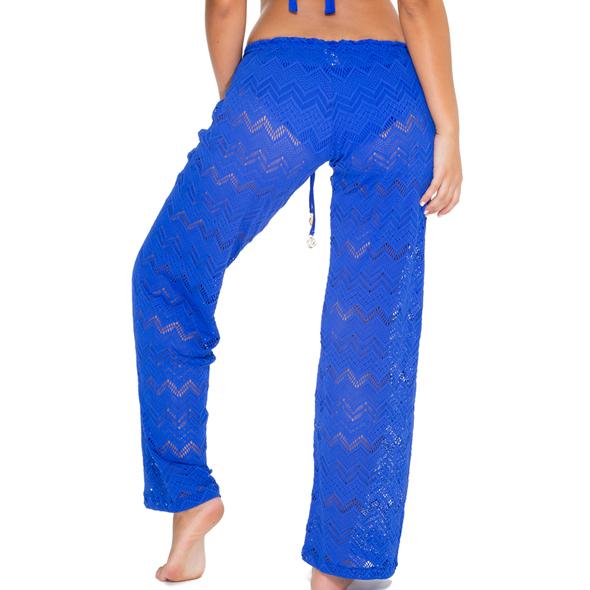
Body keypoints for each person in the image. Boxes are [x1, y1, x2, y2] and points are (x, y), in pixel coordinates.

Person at [131, 0, 462, 588]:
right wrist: (449, 129)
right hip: (391, 93)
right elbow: (416, 6)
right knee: (368, 336)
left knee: (168, 274)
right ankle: (336, 570)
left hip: (282, 77)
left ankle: (188, 495)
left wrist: (245, 105)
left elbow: (226, 6)